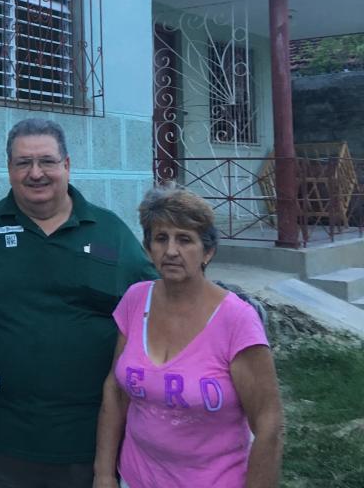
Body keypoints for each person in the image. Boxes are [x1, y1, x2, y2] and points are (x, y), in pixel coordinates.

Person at [0, 118, 157, 488]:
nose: (35, 173)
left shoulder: (110, 232)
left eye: (46, 161)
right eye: (22, 163)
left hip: (89, 445)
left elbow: (159, 304)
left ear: (67, 165)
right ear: (9, 169)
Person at [93, 186, 283, 488]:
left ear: (207, 251)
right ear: (148, 248)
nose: (171, 251)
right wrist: (104, 475)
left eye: (184, 239)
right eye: (160, 238)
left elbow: (269, 422)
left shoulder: (236, 321)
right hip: (136, 478)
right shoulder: (135, 300)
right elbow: (116, 391)